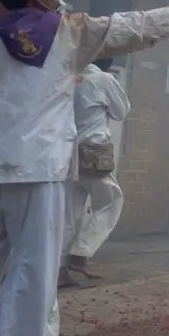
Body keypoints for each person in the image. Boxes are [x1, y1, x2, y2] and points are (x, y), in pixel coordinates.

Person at [0, 0, 169, 336]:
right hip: (38, 167)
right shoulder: (66, 32)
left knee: (10, 260)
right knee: (32, 264)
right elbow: (127, 27)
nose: (61, 4)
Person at [60, 58, 129, 286]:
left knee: (69, 214)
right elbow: (121, 111)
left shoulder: (67, 77)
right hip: (92, 151)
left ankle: (59, 272)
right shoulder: (103, 79)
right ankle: (80, 254)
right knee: (112, 201)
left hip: (65, 152)